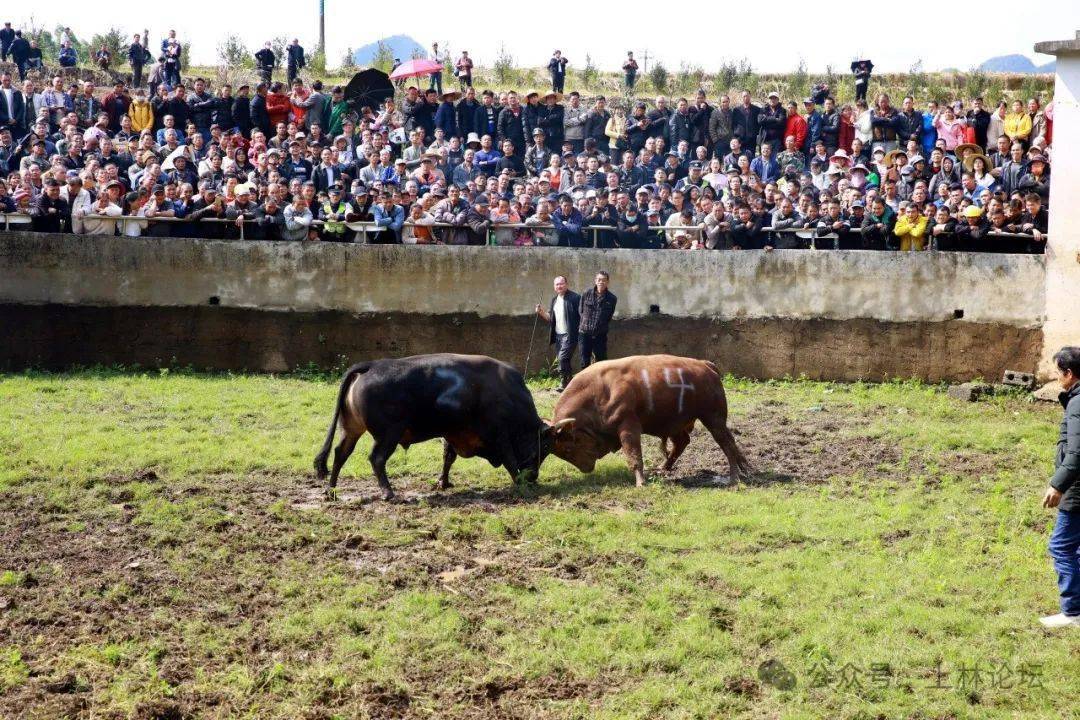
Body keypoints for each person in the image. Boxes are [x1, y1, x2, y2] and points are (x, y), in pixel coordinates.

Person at [1041, 347, 1080, 628]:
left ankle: (1073, 611)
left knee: (1061, 546)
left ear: (1069, 374)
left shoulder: (1078, 402)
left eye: (1058, 373)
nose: (1057, 378)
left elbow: (1077, 452)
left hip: (1077, 489)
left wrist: (1057, 484)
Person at [536, 276, 581, 391]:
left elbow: (582, 315)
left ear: (567, 284)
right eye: (557, 284)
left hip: (570, 335)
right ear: (554, 287)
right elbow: (550, 318)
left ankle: (564, 383)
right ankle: (569, 383)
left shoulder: (575, 298)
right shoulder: (554, 300)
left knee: (562, 358)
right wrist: (541, 312)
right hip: (558, 335)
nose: (559, 286)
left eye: (561, 283)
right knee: (564, 360)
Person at [578, 271, 617, 369]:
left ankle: (601, 383)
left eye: (604, 280)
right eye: (599, 280)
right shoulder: (586, 293)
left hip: (600, 335)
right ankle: (586, 382)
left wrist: (599, 326)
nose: (601, 282)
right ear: (595, 281)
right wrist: (586, 323)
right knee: (584, 361)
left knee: (602, 361)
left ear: (607, 282)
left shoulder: (612, 298)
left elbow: (609, 316)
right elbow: (581, 310)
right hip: (584, 333)